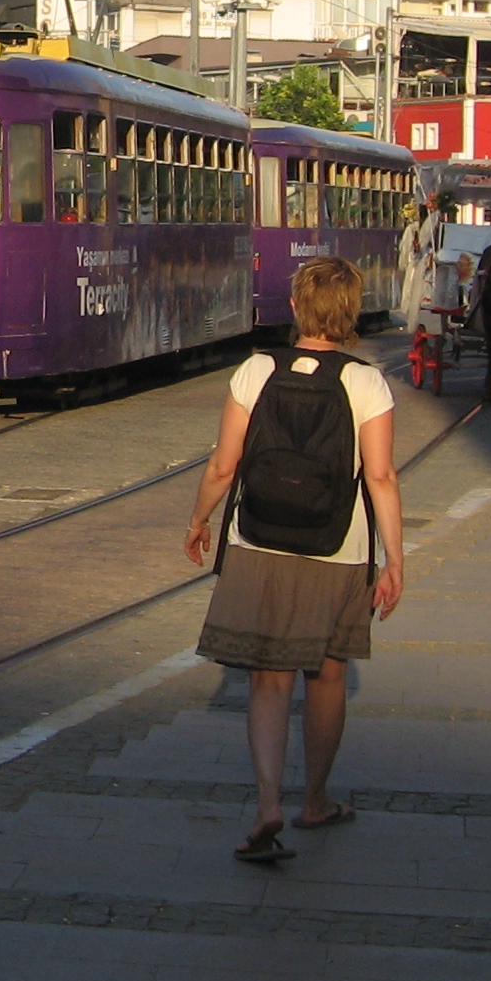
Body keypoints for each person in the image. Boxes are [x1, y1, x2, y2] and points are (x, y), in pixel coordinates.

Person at [181, 256, 405, 865]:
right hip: (339, 550)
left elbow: (223, 465)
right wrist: (394, 559)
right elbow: (381, 477)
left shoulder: (255, 370)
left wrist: (199, 520)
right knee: (327, 674)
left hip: (258, 540)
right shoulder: (366, 382)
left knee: (268, 677)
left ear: (296, 307)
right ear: (351, 312)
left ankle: (267, 806)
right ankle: (316, 800)